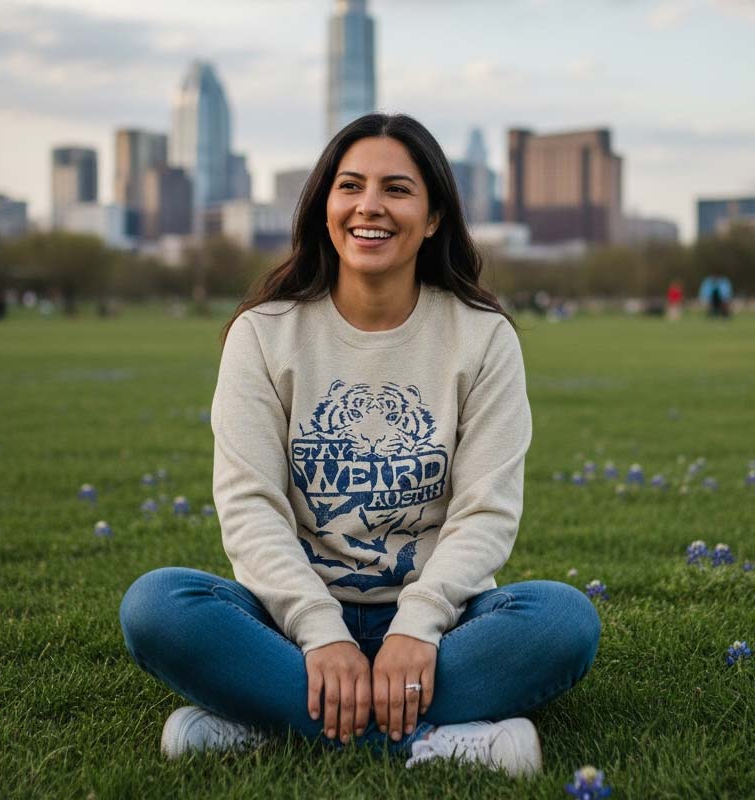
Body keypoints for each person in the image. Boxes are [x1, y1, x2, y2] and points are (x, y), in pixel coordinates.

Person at [119, 113, 601, 774]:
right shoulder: (263, 333)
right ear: (325, 207)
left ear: (433, 218)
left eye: (397, 189)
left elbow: (485, 513)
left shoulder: (482, 337)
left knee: (563, 620)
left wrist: (416, 625)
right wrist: (321, 634)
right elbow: (249, 507)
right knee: (156, 606)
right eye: (350, 186)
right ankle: (435, 739)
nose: (369, 205)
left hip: (441, 624)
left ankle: (268, 725)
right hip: (288, 622)